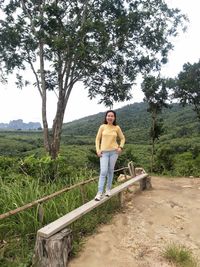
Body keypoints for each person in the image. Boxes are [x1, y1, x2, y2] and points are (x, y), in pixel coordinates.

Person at [94, 110, 125, 201]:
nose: (110, 117)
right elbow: (97, 139)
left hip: (114, 152)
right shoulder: (102, 127)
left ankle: (108, 190)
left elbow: (122, 138)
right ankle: (99, 193)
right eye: (108, 116)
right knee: (103, 171)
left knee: (111, 171)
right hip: (104, 153)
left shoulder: (117, 128)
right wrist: (98, 150)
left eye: (112, 116)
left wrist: (120, 147)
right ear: (106, 117)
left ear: (114, 118)